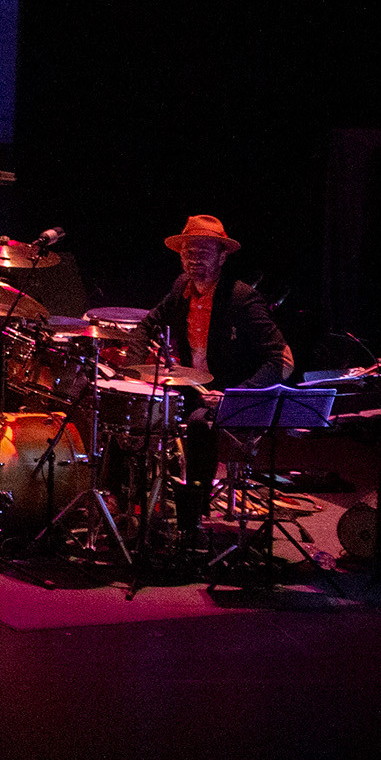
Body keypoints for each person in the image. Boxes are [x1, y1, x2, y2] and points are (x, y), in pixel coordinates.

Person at [144, 213, 294, 539]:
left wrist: (237, 393)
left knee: (198, 425)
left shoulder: (240, 298)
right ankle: (130, 506)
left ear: (222, 256)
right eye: (188, 252)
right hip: (192, 388)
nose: (194, 259)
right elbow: (149, 324)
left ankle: (193, 519)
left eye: (203, 252)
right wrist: (135, 349)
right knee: (134, 413)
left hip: (234, 395)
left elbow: (279, 359)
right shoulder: (181, 287)